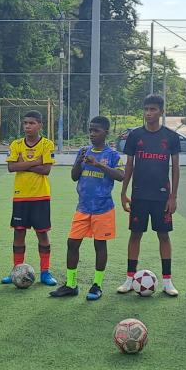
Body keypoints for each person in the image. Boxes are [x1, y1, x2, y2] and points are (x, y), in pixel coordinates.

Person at [49, 116, 123, 300]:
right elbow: (75, 177)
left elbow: (121, 176)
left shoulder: (112, 155)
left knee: (100, 245)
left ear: (106, 132)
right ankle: (71, 284)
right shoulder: (83, 151)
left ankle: (97, 285)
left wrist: (98, 164)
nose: (92, 134)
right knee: (72, 243)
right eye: (90, 130)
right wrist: (78, 162)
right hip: (82, 208)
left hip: (103, 208)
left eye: (96, 130)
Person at [117, 95, 181, 296]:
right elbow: (129, 165)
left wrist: (173, 197)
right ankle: (129, 278)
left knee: (163, 235)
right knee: (135, 234)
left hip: (162, 196)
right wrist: (123, 192)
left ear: (161, 111)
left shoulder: (171, 137)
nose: (148, 113)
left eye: (153, 109)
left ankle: (167, 281)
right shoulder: (135, 136)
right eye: (146, 109)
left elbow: (176, 168)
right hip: (139, 195)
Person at [2, 110, 57, 286]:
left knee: (42, 234)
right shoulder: (16, 144)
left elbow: (46, 170)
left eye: (32, 123)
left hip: (41, 196)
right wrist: (36, 162)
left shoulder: (47, 144)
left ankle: (45, 273)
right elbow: (11, 167)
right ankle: (16, 271)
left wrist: (22, 165)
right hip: (20, 196)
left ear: (40, 125)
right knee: (19, 233)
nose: (27, 126)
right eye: (25, 123)